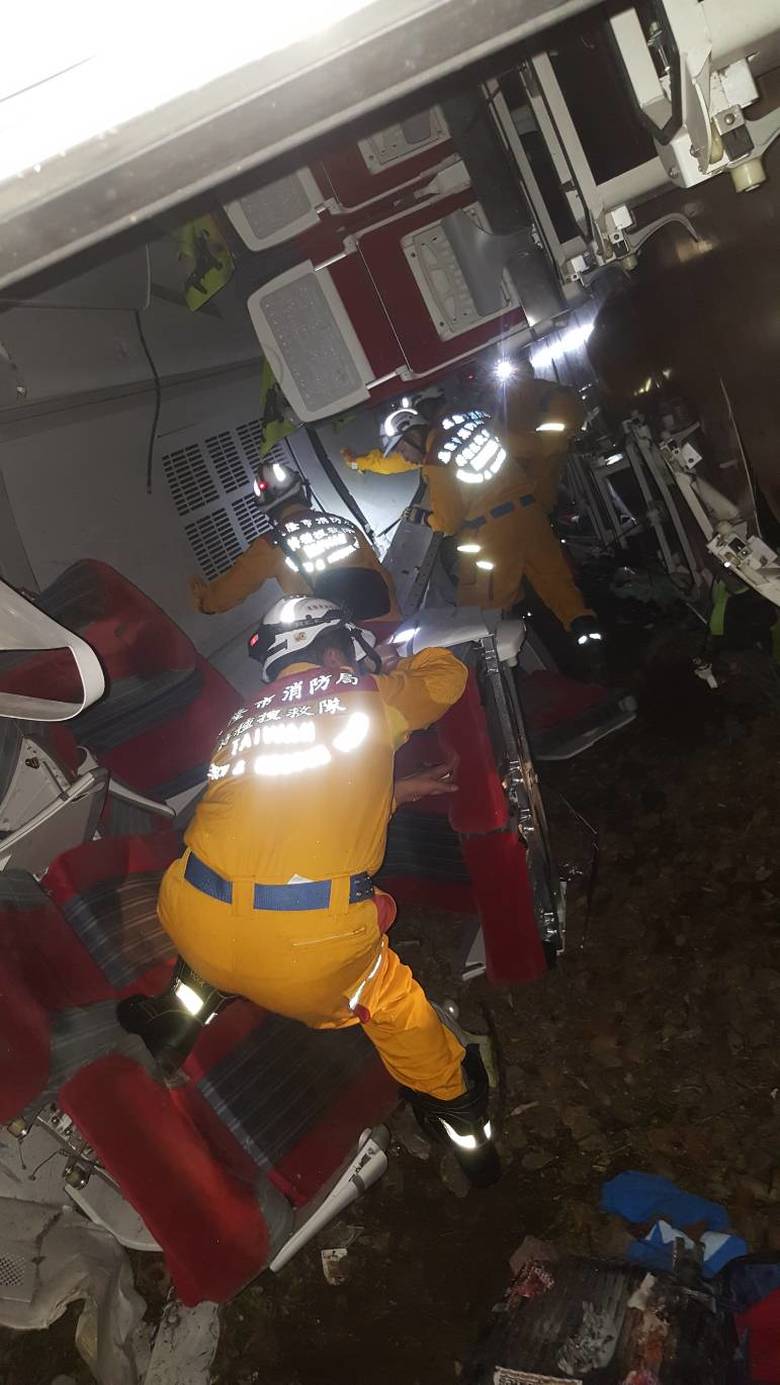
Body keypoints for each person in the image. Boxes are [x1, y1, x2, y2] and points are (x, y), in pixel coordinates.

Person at [153, 596, 498, 1184]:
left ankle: (173, 1027)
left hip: (188, 917)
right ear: (336, 653)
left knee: (217, 921)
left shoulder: (243, 722)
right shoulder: (366, 694)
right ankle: (467, 1135)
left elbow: (282, 812)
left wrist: (394, 791)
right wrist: (396, 661)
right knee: (399, 1014)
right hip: (306, 961)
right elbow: (447, 676)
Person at [343, 387, 602, 652]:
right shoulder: (474, 426)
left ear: (412, 435)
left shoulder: (436, 462)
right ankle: (589, 637)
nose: (403, 456)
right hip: (531, 516)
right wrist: (363, 462)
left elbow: (449, 522)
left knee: (480, 607)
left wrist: (424, 517)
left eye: (400, 449)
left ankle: (496, 661)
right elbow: (531, 446)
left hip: (494, 535)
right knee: (557, 583)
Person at [190, 457, 399, 622]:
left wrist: (206, 603)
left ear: (266, 510)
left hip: (349, 638)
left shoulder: (271, 544)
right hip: (388, 619)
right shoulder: (342, 523)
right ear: (302, 490)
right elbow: (381, 572)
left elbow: (231, 590)